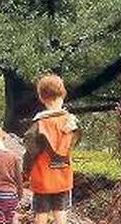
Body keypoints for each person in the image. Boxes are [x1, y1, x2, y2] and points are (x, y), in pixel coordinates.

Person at [23, 74, 81, 224]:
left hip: (42, 176)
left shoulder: (39, 124)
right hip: (63, 175)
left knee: (41, 211)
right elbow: (75, 143)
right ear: (63, 94)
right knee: (60, 210)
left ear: (41, 98)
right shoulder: (72, 122)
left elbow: (30, 152)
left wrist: (25, 172)